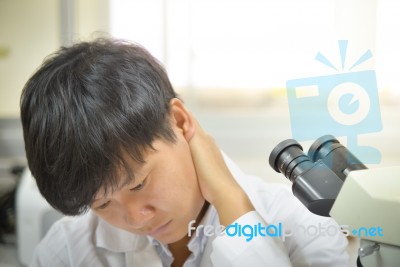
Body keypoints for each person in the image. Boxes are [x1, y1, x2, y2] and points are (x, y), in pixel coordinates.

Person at [20, 38, 349, 267]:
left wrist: (230, 199)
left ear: (179, 121)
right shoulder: (67, 249)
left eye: (138, 184)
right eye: (103, 204)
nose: (135, 218)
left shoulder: (301, 223)